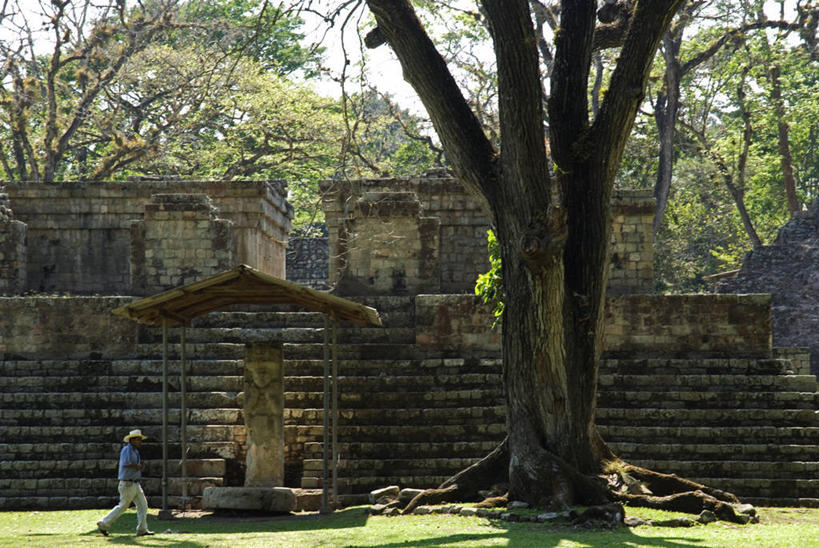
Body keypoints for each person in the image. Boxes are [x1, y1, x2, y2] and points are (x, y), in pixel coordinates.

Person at [96, 429, 155, 537]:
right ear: (132, 440)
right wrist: (136, 466)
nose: (140, 442)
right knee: (123, 506)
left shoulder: (134, 451)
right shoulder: (127, 450)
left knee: (143, 505)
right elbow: (125, 464)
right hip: (128, 483)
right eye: (138, 440)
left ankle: (142, 529)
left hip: (134, 483)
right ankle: (104, 523)